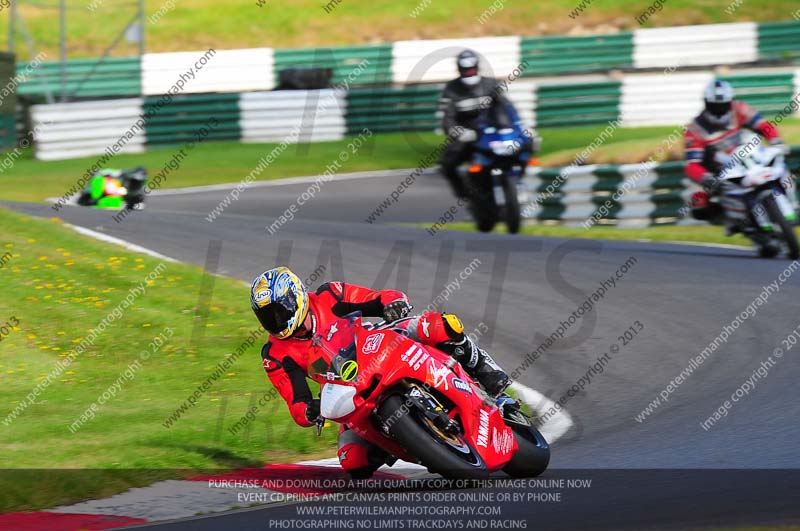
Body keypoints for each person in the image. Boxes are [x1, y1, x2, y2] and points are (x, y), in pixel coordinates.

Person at [250, 266, 510, 478]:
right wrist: (309, 411)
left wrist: (392, 302)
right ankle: (409, 440)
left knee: (440, 325)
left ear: (295, 298)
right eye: (266, 317)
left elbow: (375, 298)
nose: (274, 321)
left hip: (378, 343)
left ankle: (483, 369)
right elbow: (294, 397)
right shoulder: (274, 354)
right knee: (352, 461)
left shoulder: (330, 296)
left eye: (278, 311)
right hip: (346, 387)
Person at [685, 80, 787, 218]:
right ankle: (731, 219)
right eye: (714, 106)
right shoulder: (695, 129)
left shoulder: (740, 108)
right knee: (698, 203)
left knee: (779, 161)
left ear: (730, 101)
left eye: (723, 106)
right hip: (718, 169)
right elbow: (692, 165)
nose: (719, 111)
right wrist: (707, 178)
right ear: (706, 104)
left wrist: (776, 141)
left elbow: (764, 126)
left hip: (749, 155)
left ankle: (791, 203)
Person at [439, 49, 515, 198]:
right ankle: (464, 194)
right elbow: (447, 119)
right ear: (459, 70)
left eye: (471, 69)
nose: (469, 73)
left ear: (477, 67)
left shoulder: (491, 84)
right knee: (447, 164)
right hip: (468, 135)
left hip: (493, 132)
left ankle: (517, 181)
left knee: (523, 148)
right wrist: (459, 132)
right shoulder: (450, 90)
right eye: (465, 70)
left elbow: (507, 108)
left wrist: (515, 126)